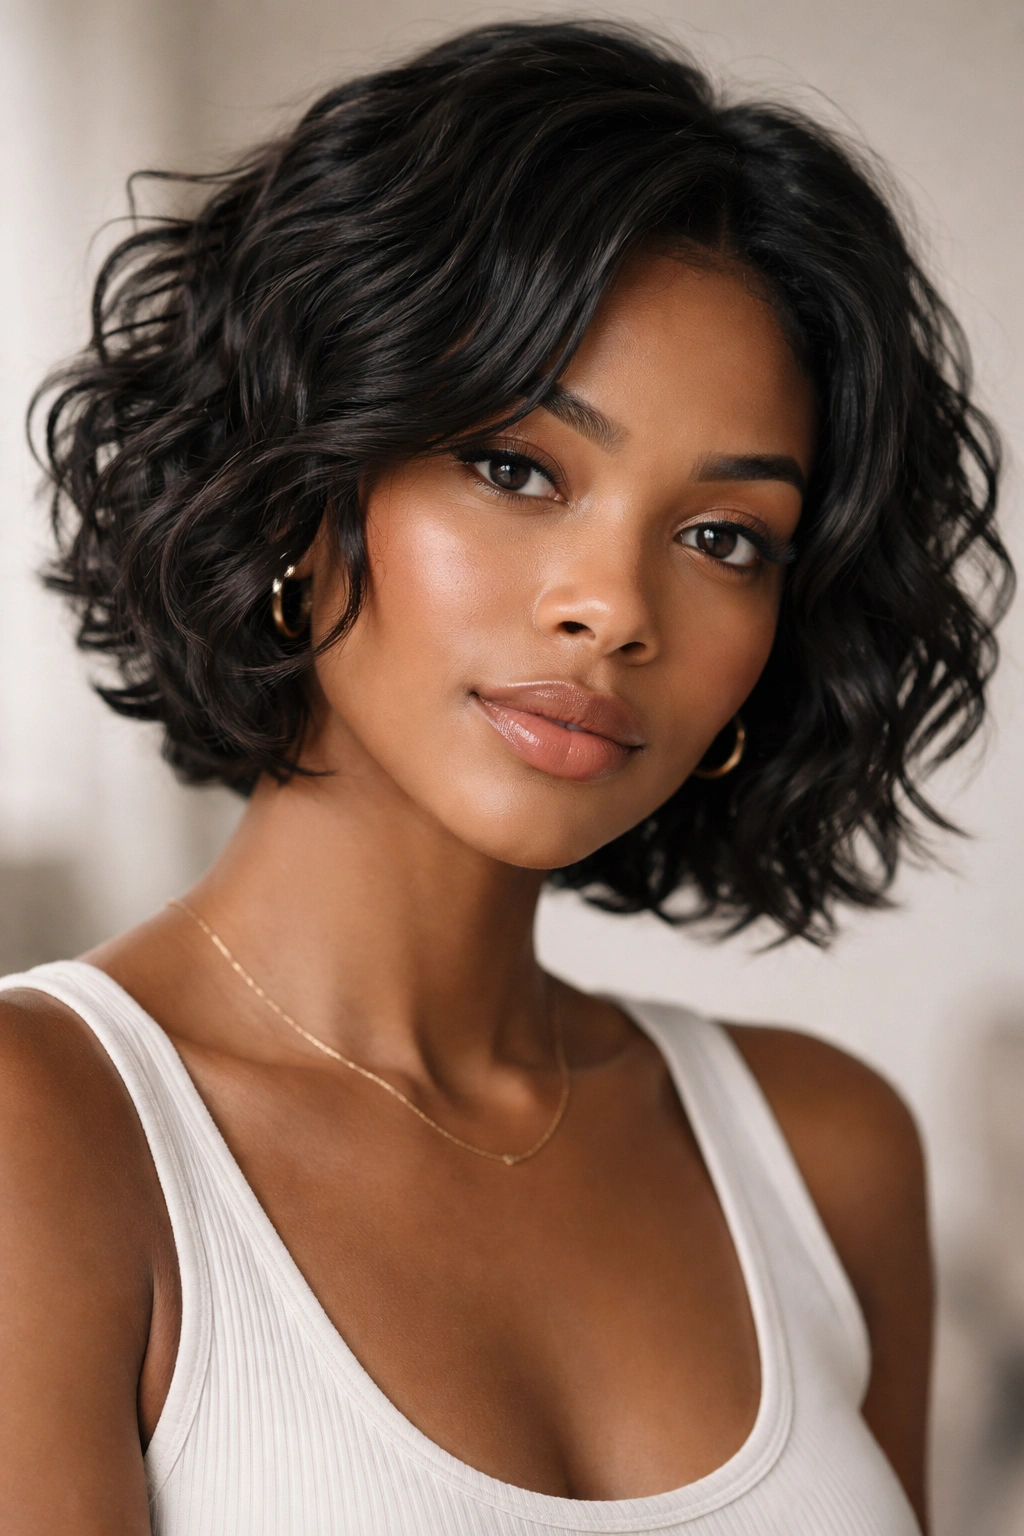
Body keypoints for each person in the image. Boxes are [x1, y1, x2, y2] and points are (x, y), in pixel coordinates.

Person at [0, 20, 1012, 1536]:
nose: (614, 606)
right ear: (311, 479)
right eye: (519, 468)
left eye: (724, 536)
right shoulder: (46, 1137)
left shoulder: (824, 1150)